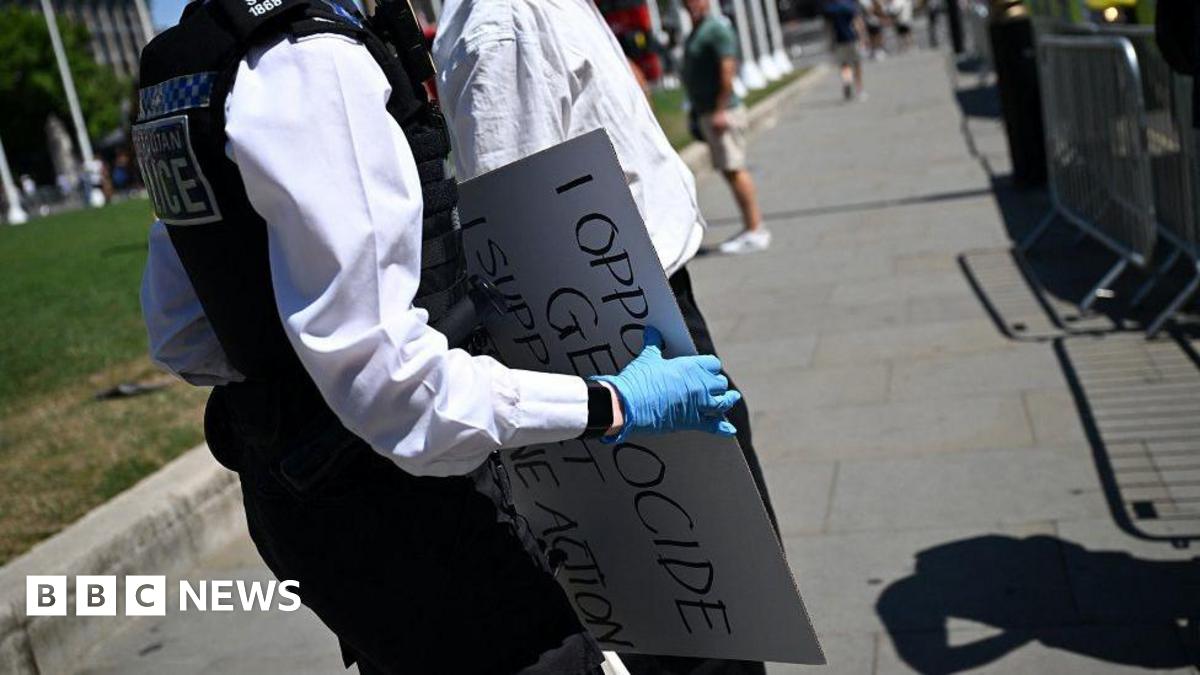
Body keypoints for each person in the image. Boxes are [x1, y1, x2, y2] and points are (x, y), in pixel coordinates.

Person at [134, 0, 741, 672]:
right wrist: (611, 403)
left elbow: (183, 333)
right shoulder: (313, 59)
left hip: (290, 491)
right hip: (396, 503)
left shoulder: (199, 56)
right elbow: (395, 387)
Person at [433, 0, 778, 672]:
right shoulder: (505, 20)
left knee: (735, 606)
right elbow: (524, 237)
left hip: (643, 314)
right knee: (705, 626)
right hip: (620, 334)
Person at [677, 0, 769, 255]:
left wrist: (719, 109)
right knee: (730, 170)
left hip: (722, 112)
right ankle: (751, 226)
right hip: (707, 111)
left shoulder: (715, 29)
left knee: (734, 168)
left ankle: (755, 229)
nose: (690, 4)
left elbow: (727, 70)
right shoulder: (698, 30)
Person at [822, 0, 866, 101]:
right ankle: (859, 89)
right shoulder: (850, 6)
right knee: (857, 64)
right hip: (852, 39)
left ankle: (847, 80)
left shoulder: (830, 9)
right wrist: (862, 38)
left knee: (844, 65)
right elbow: (857, 23)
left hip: (839, 41)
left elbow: (828, 28)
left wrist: (830, 43)